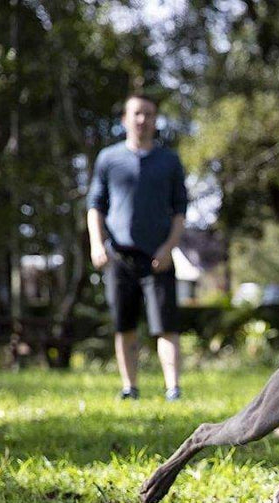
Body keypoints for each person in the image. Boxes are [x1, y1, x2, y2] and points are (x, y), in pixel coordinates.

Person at [87, 93, 188, 401]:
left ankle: (173, 388)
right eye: (136, 114)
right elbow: (95, 206)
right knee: (124, 325)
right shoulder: (109, 158)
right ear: (125, 120)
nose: (142, 120)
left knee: (165, 326)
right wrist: (96, 244)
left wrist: (169, 248)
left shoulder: (169, 161)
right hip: (120, 256)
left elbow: (180, 211)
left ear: (155, 120)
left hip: (158, 257)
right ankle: (130, 387)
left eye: (148, 114)